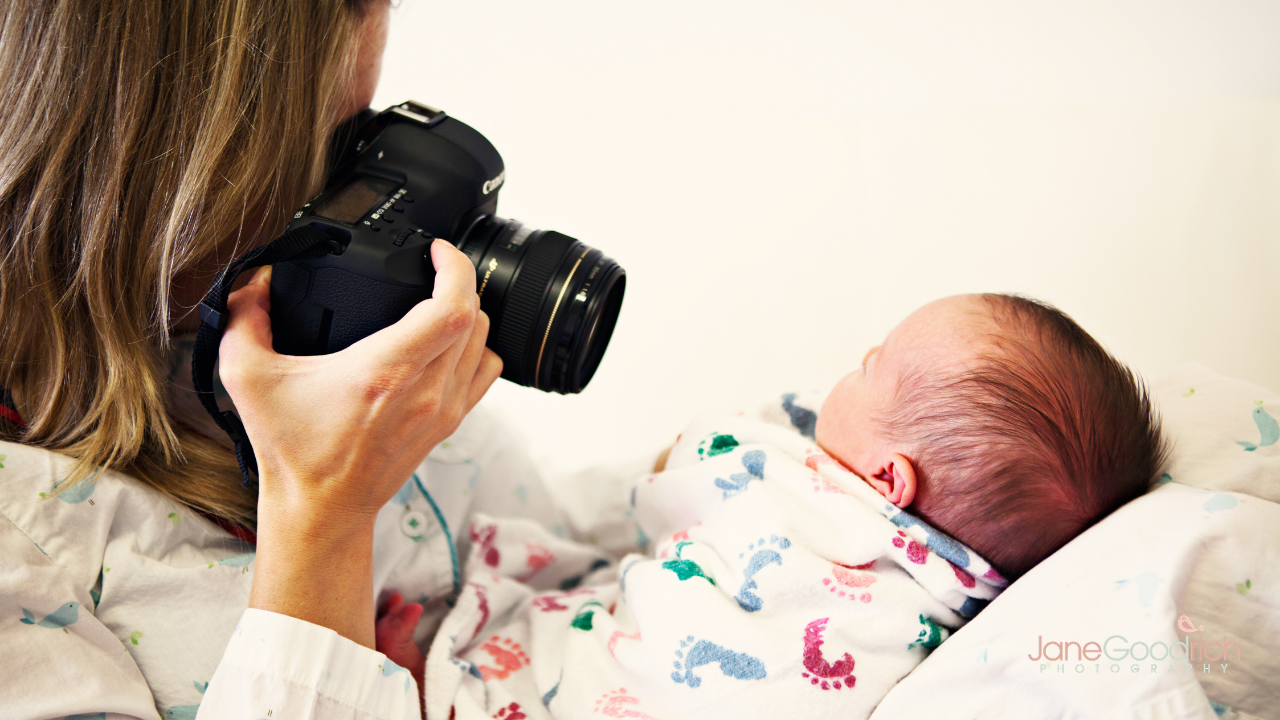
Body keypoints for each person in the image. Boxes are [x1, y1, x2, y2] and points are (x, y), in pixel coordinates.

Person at [0, 1, 559, 717]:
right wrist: (322, 514)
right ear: (176, 159)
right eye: (334, 158)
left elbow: (566, 551)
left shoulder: (323, 353)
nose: (356, 203)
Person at [369, 293, 1167, 720]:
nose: (848, 369)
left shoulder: (817, 511)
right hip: (668, 640)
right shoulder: (961, 586)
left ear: (890, 482)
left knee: (546, 675)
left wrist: (695, 456)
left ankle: (431, 690)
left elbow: (693, 473)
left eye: (873, 365)